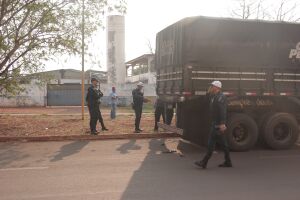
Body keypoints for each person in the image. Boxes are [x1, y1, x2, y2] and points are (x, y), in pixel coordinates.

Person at [194, 80, 232, 169]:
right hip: (215, 123)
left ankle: (204, 162)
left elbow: (223, 111)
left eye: (212, 86)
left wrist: (222, 123)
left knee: (211, 144)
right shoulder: (213, 96)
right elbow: (205, 102)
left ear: (217, 88)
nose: (211, 87)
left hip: (218, 125)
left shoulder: (221, 97)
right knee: (224, 144)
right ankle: (228, 161)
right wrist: (207, 93)